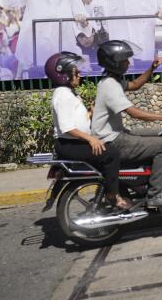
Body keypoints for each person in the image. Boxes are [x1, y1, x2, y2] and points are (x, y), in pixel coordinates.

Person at [91, 40, 162, 210]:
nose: (128, 62)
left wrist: (151, 68)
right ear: (115, 62)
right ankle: (155, 195)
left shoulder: (112, 81)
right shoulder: (110, 86)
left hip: (117, 134)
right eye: (125, 60)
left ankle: (155, 180)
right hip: (113, 140)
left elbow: (135, 85)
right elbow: (133, 112)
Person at [46, 51, 129, 211]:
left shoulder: (68, 93)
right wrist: (91, 139)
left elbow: (75, 119)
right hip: (69, 144)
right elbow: (66, 127)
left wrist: (90, 113)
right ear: (63, 74)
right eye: (76, 72)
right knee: (111, 154)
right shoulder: (62, 95)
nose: (80, 74)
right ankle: (113, 195)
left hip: (72, 142)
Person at [1, 0, 88, 75]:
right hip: (34, 59)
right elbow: (9, 0)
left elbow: (84, 21)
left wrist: (82, 19)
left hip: (62, 59)